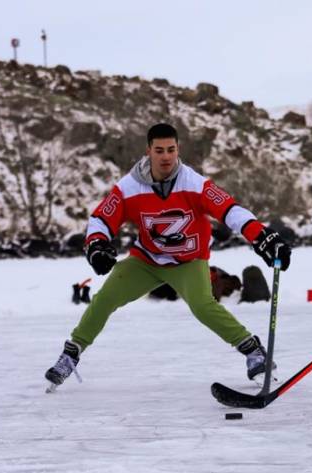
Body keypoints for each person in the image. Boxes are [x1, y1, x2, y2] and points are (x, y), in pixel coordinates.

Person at [44, 123, 291, 391]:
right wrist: (96, 245)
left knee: (202, 306)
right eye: (159, 150)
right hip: (146, 260)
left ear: (178, 150)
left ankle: (255, 353)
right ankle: (70, 355)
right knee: (105, 298)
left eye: (171, 150)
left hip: (189, 262)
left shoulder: (194, 183)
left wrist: (261, 236)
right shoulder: (129, 187)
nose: (166, 157)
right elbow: (102, 218)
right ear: (148, 150)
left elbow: (229, 210)